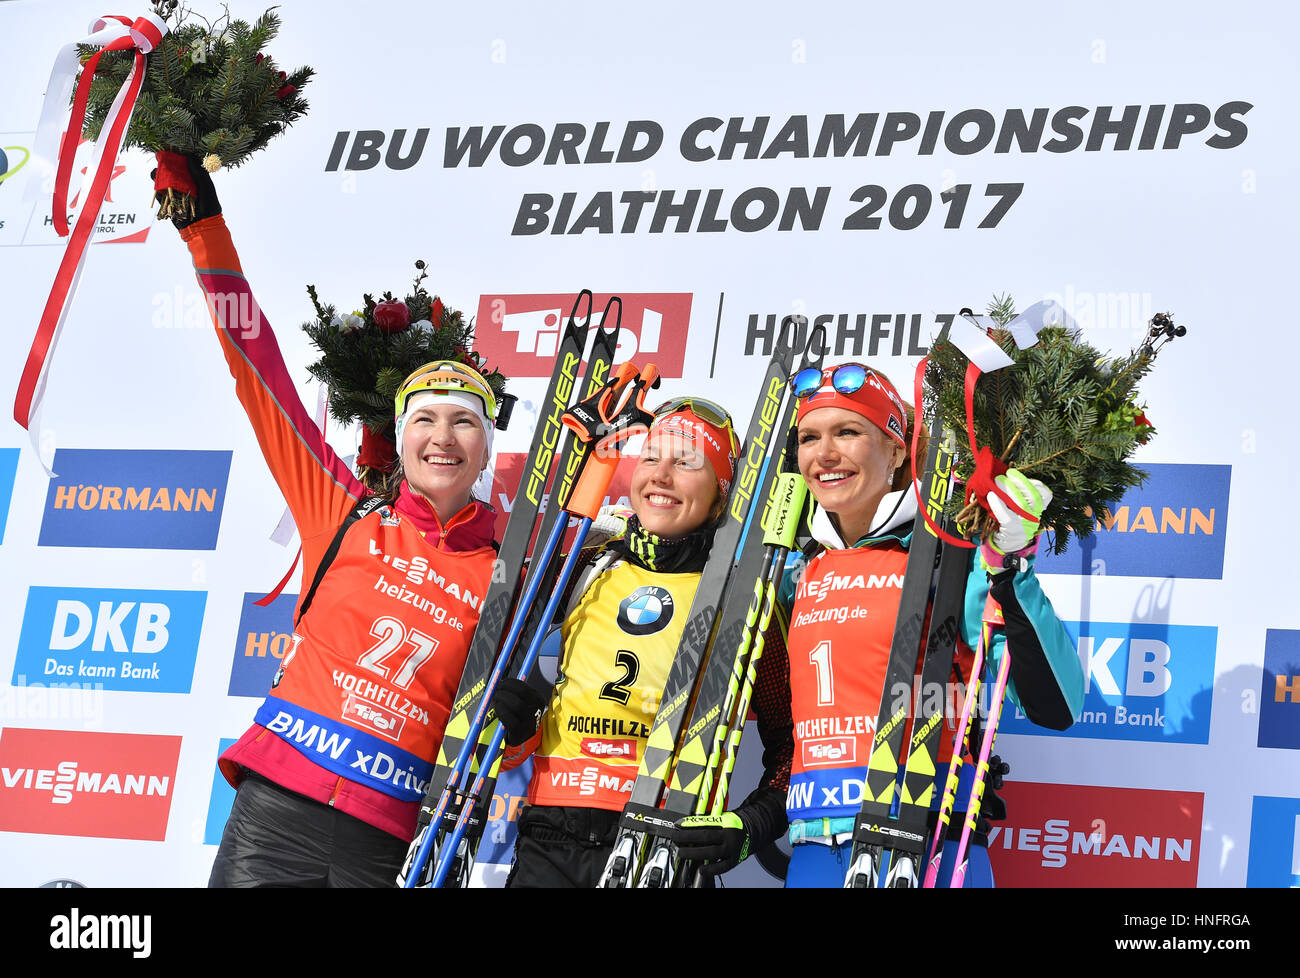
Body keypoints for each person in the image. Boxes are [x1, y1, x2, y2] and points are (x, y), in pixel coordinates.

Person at [158, 158, 506, 887]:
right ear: (403, 437)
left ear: (485, 452)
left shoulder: (513, 566)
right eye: (426, 421)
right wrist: (205, 234)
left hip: (392, 840)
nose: (443, 437)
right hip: (277, 814)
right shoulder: (344, 513)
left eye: (465, 424)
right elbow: (259, 372)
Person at [773, 362, 1085, 887]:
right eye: (809, 437)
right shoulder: (795, 573)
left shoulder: (949, 562)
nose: (824, 455)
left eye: (848, 432)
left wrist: (1008, 571)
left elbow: (1058, 704)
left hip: (926, 844)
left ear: (897, 450)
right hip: (812, 851)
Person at [491, 398, 793, 887]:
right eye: (651, 456)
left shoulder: (745, 598)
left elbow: (793, 746)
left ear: (722, 494)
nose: (661, 476)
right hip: (550, 833)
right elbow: (483, 656)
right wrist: (518, 726)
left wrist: (749, 825)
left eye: (687, 461)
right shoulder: (584, 565)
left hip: (662, 846)